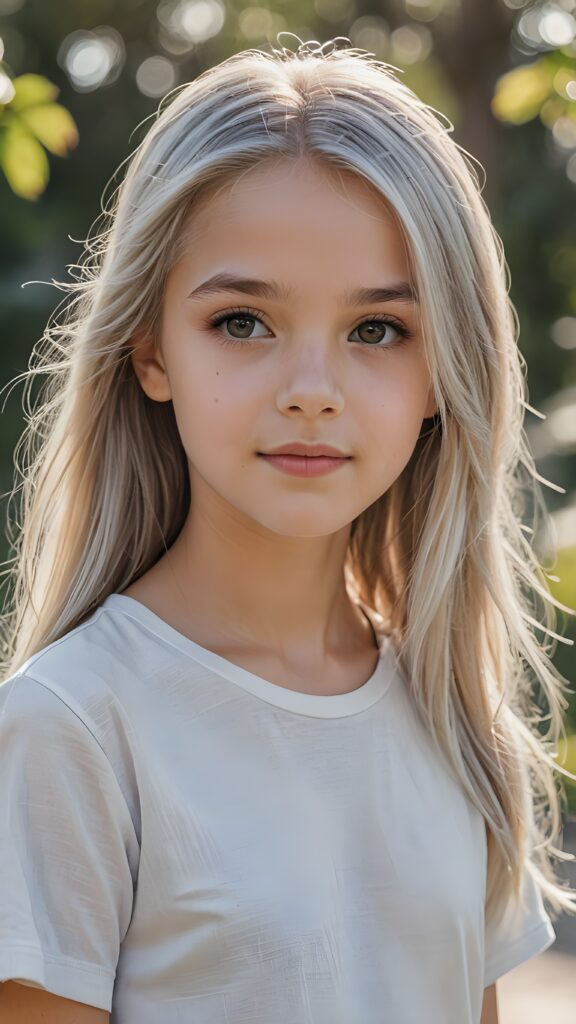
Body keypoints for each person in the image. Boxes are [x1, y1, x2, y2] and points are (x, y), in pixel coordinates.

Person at [0, 34, 574, 1024]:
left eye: (377, 330)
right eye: (243, 322)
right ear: (150, 350)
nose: (312, 392)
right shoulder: (70, 730)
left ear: (444, 371)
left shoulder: (451, 716)